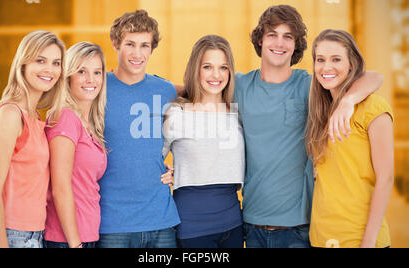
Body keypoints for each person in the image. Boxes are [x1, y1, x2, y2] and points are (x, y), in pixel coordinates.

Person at [235, 5, 384, 248]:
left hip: (299, 228)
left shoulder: (310, 86)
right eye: (272, 34)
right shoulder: (240, 86)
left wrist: (348, 101)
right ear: (260, 40)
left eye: (288, 37)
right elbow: (198, 86)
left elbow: (375, 77)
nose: (280, 43)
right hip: (251, 225)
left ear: (296, 45)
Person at [96, 9, 180, 248]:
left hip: (161, 221)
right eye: (130, 44)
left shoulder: (165, 90)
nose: (137, 53)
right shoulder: (96, 89)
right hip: (113, 225)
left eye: (145, 45)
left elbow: (204, 94)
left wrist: (179, 169)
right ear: (115, 43)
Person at [0, 30, 66, 248]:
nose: (49, 69)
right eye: (40, 60)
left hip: (33, 236)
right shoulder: (10, 114)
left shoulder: (34, 116)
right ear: (23, 64)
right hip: (9, 237)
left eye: (56, 63)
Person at [306, 29, 394, 248]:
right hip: (320, 238)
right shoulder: (321, 112)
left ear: (351, 64)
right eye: (320, 60)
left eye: (336, 59)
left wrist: (369, 242)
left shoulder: (374, 108)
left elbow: (386, 179)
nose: (326, 67)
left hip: (359, 239)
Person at [162, 35, 244, 248]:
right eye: (207, 66)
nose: (216, 75)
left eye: (223, 67)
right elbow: (150, 159)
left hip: (233, 224)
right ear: (195, 69)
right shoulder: (176, 114)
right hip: (192, 227)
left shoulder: (237, 112)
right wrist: (165, 170)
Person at [43, 42, 108, 248]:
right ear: (68, 76)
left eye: (97, 72)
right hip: (66, 240)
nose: (91, 80)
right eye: (82, 71)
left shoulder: (91, 124)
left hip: (88, 234)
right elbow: (60, 187)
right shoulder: (65, 117)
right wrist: (75, 243)